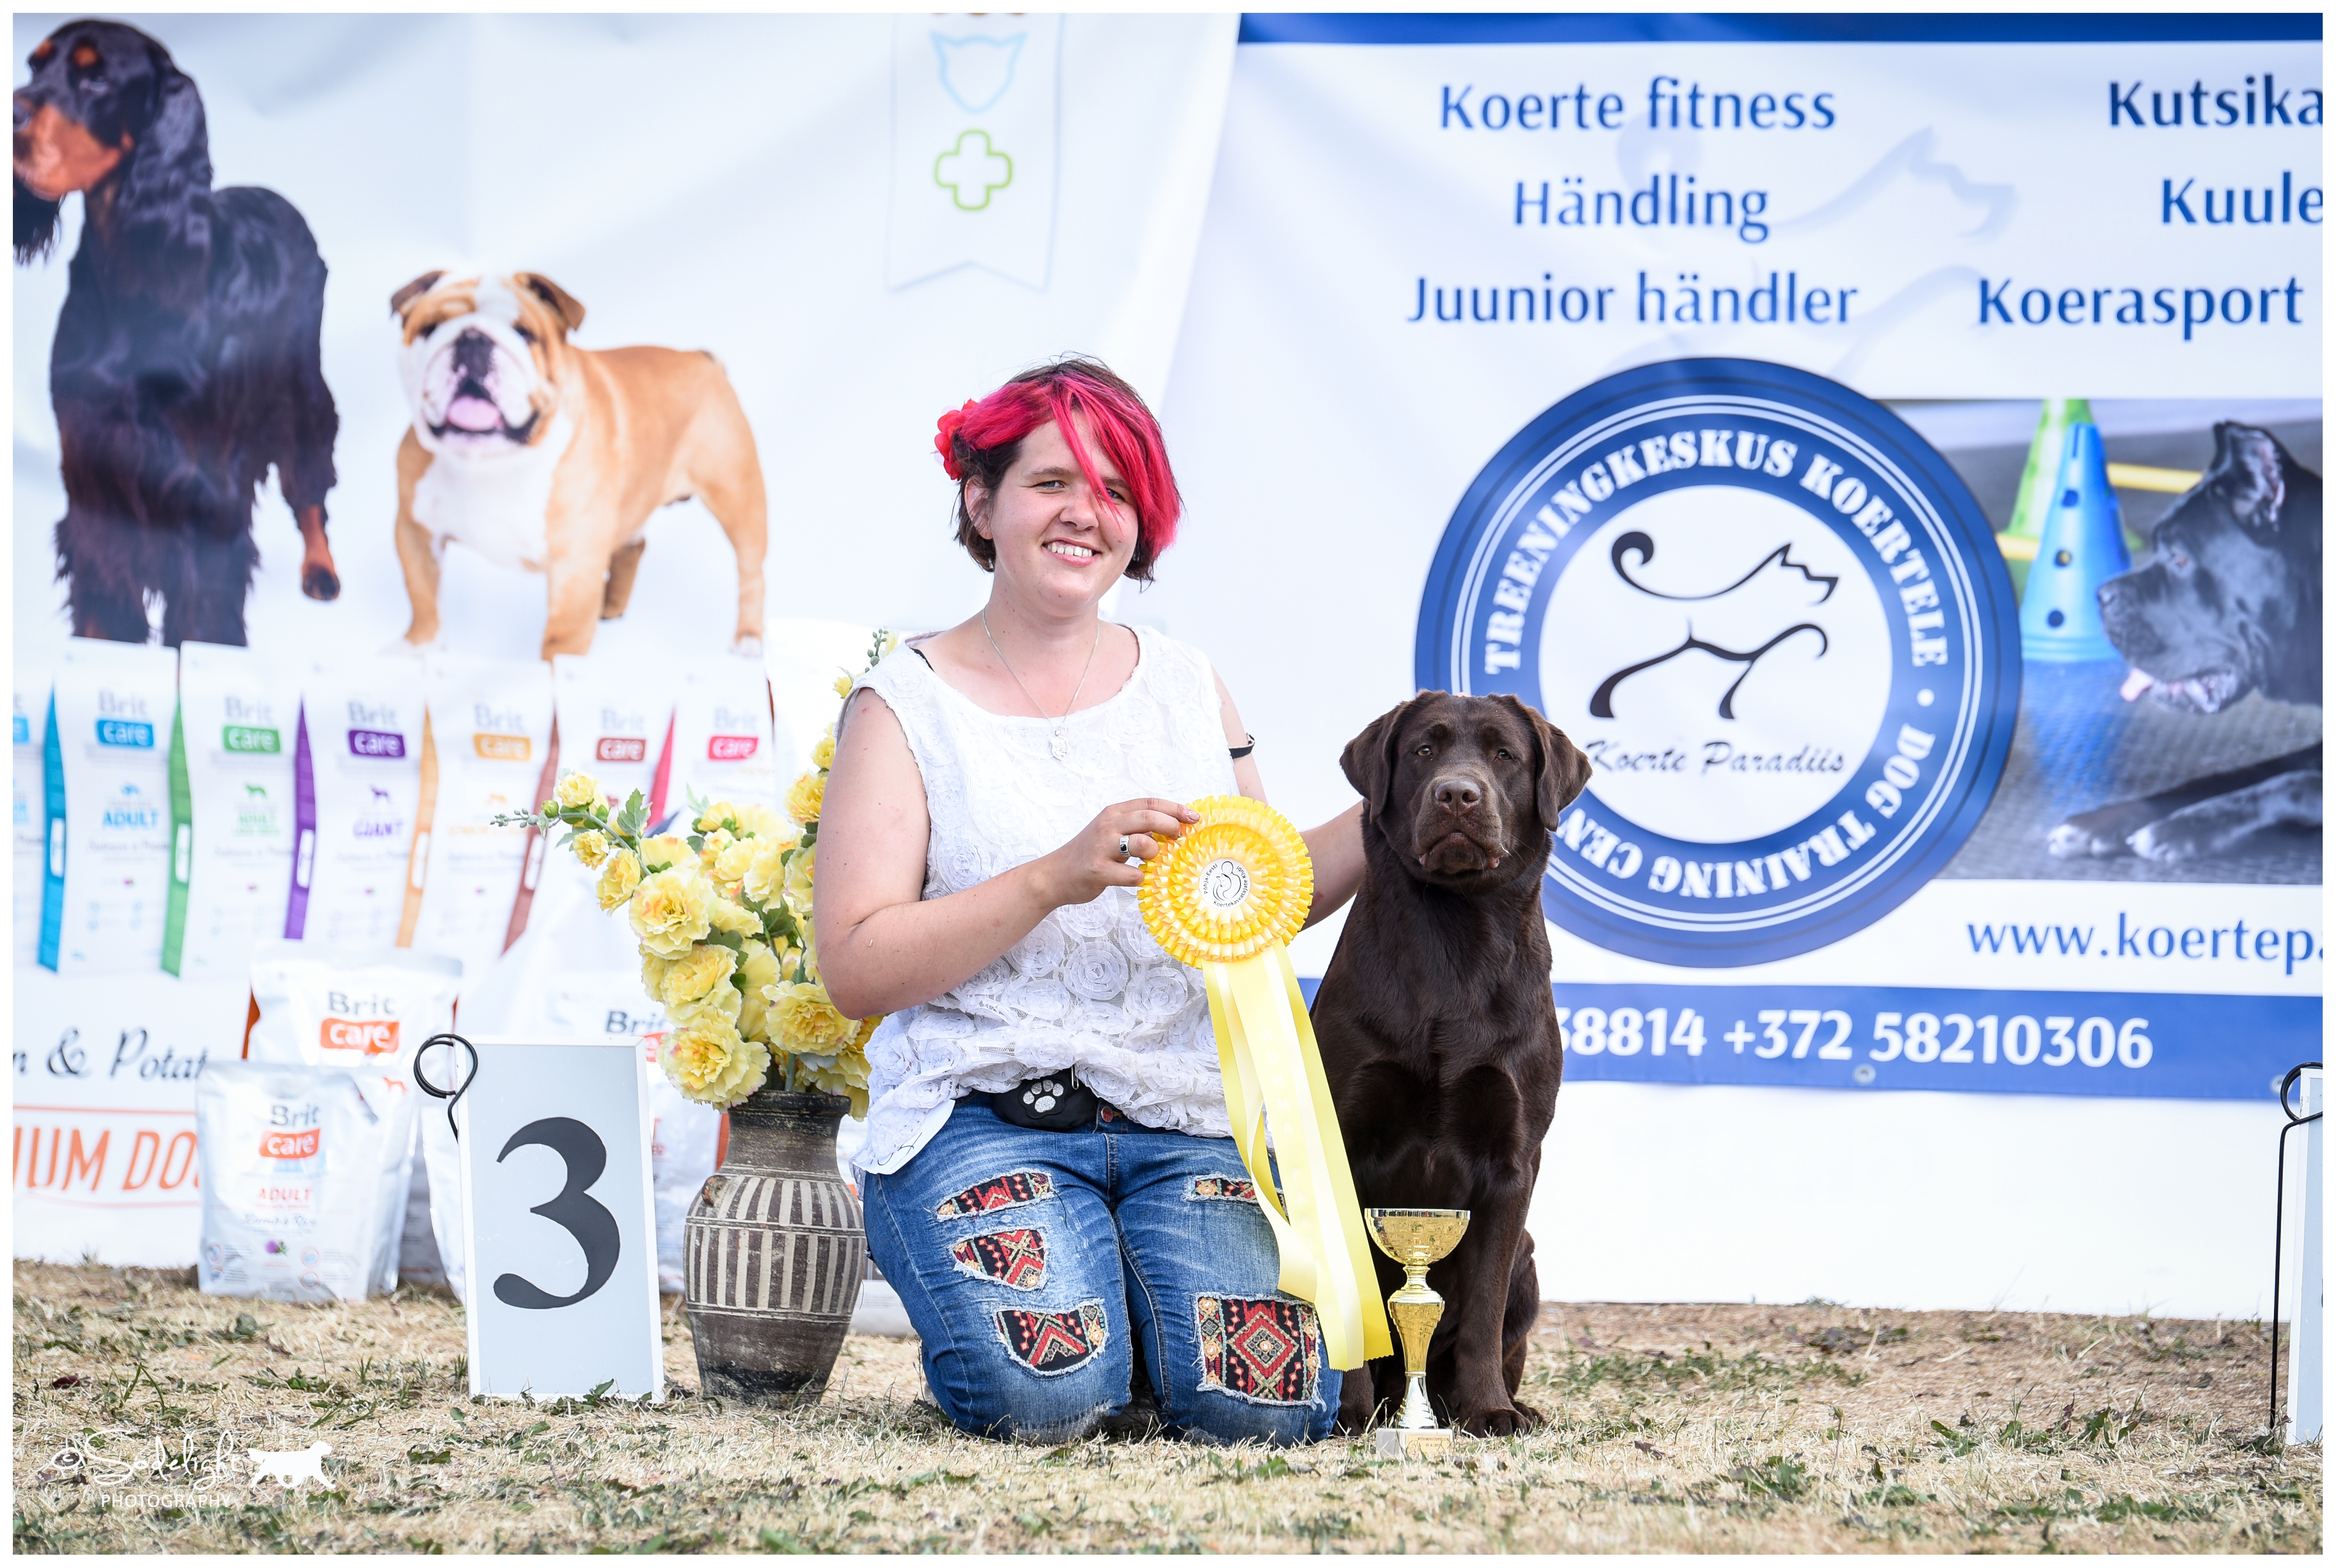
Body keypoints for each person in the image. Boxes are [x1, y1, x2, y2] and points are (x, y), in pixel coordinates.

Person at [817, 358, 1365, 1445]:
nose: (1086, 513)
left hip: (1185, 1121)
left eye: (1116, 490)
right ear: (981, 502)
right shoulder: (902, 703)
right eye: (1051, 481)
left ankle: (1131, 1315)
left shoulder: (1187, 683)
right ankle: (1100, 1329)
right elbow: (856, 969)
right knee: (1046, 1400)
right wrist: (1049, 878)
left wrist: (1415, 797)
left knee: (1273, 1414)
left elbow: (1265, 897)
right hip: (981, 1120)